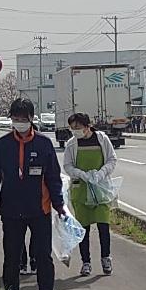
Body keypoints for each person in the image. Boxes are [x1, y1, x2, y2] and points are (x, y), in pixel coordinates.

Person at [0, 96, 65, 290]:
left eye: (23, 118)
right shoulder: (1, 146)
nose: (19, 122)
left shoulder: (44, 144)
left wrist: (59, 204)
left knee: (43, 256)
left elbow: (54, 178)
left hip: (40, 209)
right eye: (15, 118)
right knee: (11, 255)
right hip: (10, 209)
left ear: (31, 119)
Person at [61, 111, 117, 279]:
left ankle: (106, 258)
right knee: (83, 229)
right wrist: (81, 174)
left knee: (103, 225)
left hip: (101, 189)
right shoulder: (72, 144)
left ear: (87, 126)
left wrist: (100, 173)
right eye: (73, 128)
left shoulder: (102, 139)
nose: (75, 131)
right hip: (81, 191)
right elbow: (67, 166)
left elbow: (111, 160)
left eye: (78, 127)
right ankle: (86, 262)